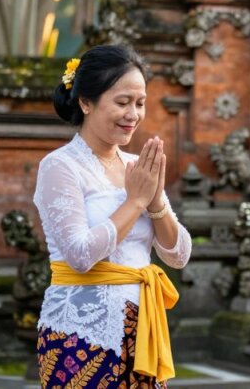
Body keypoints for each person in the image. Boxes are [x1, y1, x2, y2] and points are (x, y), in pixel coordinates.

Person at [34, 45, 192, 388]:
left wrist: (154, 203)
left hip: (143, 326)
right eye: (122, 102)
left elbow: (178, 255)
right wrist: (135, 200)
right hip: (79, 332)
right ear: (86, 102)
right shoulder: (60, 166)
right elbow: (79, 255)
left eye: (140, 103)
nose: (133, 114)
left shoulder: (137, 167)